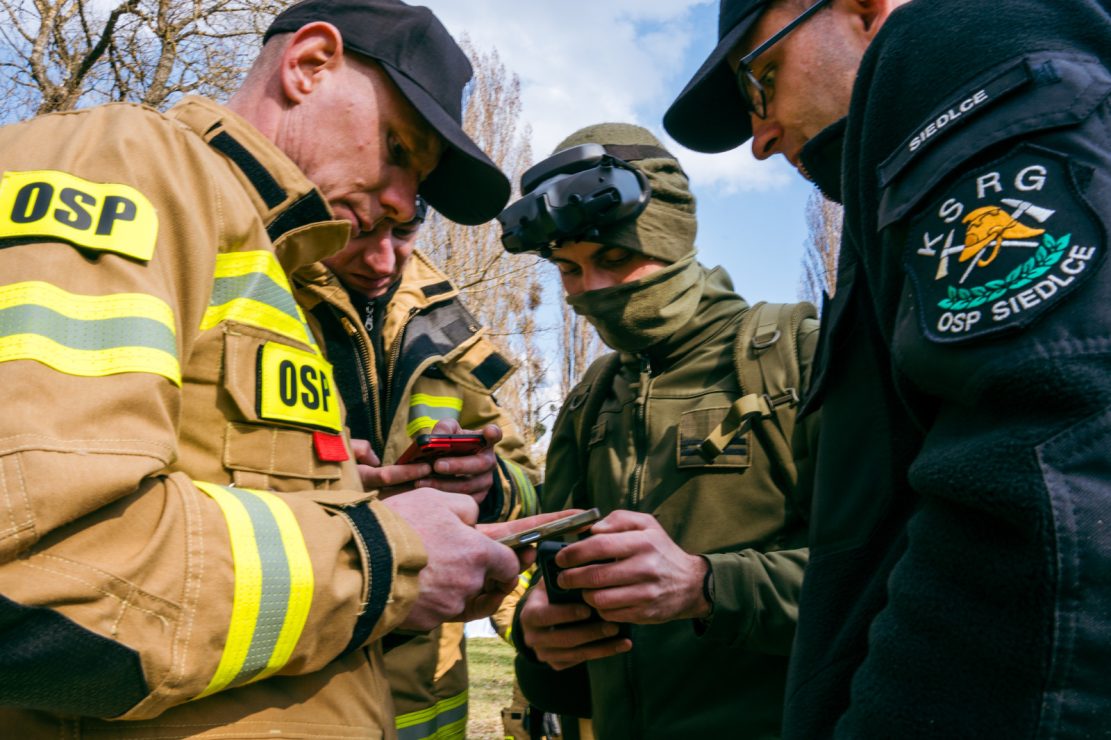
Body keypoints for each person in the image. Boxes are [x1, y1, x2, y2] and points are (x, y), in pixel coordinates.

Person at [0, 0, 564, 736]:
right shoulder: (126, 164)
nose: (401, 201)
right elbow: (45, 571)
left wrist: (334, 492)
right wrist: (386, 556)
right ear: (308, 64)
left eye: (416, 183)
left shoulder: (266, 258)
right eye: (397, 147)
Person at [665, 0, 1111, 736]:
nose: (760, 138)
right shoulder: (896, 194)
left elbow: (1055, 504)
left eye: (760, 80)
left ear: (864, 10)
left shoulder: (959, 45)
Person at [502, 123, 818, 739]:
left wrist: (707, 586)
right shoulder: (592, 398)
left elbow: (889, 576)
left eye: (615, 258)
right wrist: (538, 636)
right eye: (568, 269)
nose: (592, 290)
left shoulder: (797, 357)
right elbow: (555, 590)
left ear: (672, 240)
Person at [294, 194, 540, 738]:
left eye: (404, 230)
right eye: (357, 229)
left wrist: (489, 486)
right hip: (294, 688)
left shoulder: (445, 325)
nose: (383, 259)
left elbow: (525, 478)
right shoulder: (249, 285)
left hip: (427, 698)